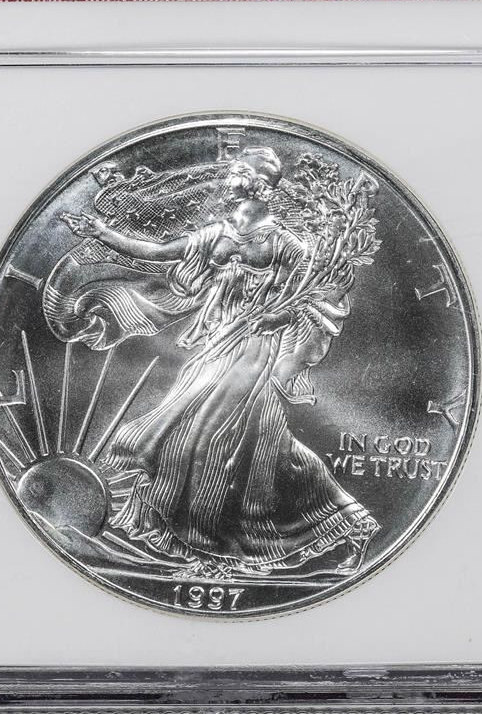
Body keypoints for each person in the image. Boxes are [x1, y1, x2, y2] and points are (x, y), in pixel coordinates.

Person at [60, 147, 378, 577]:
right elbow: (159, 252)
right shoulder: (218, 232)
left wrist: (279, 315)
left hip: (254, 348)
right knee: (260, 446)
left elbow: (318, 294)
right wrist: (102, 232)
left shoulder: (282, 242)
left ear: (259, 184)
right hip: (216, 343)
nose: (230, 177)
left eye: (239, 171)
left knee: (204, 437)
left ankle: (212, 551)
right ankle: (346, 523)